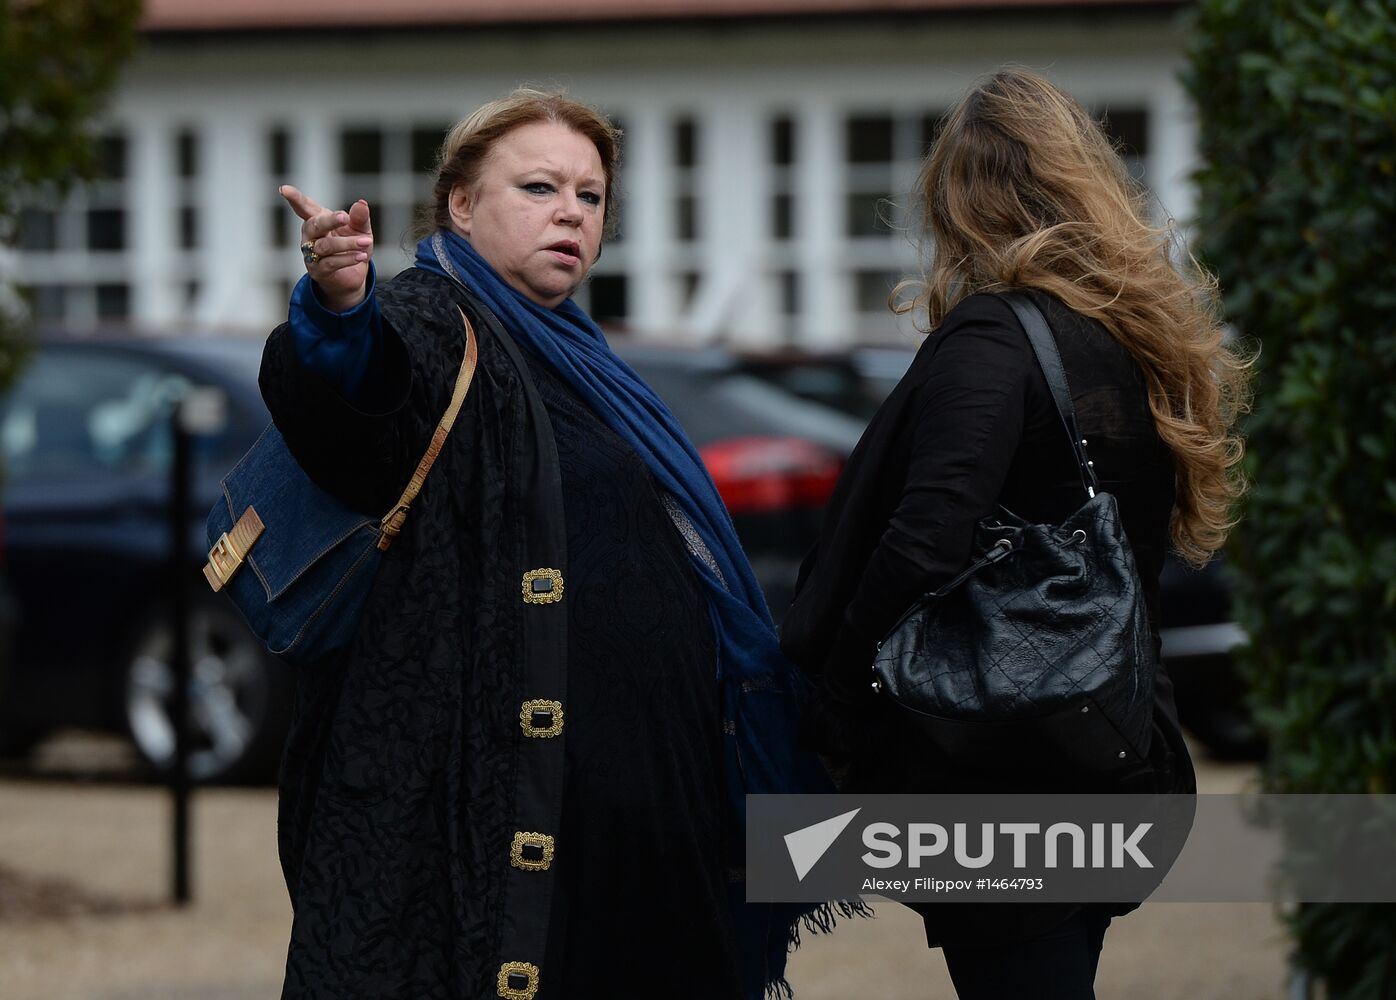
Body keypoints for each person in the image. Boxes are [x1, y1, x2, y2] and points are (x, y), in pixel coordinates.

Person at [262, 89, 846, 1000]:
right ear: (460, 203)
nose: (571, 211)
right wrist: (340, 308)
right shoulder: (430, 318)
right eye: (539, 187)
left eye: (591, 195)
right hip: (497, 804)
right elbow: (354, 406)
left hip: (630, 816)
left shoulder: (579, 353)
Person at [780, 69, 1250, 999]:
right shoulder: (1128, 341)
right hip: (1107, 734)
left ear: (960, 197)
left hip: (1001, 752)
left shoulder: (995, 340)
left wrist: (829, 694)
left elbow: (925, 538)